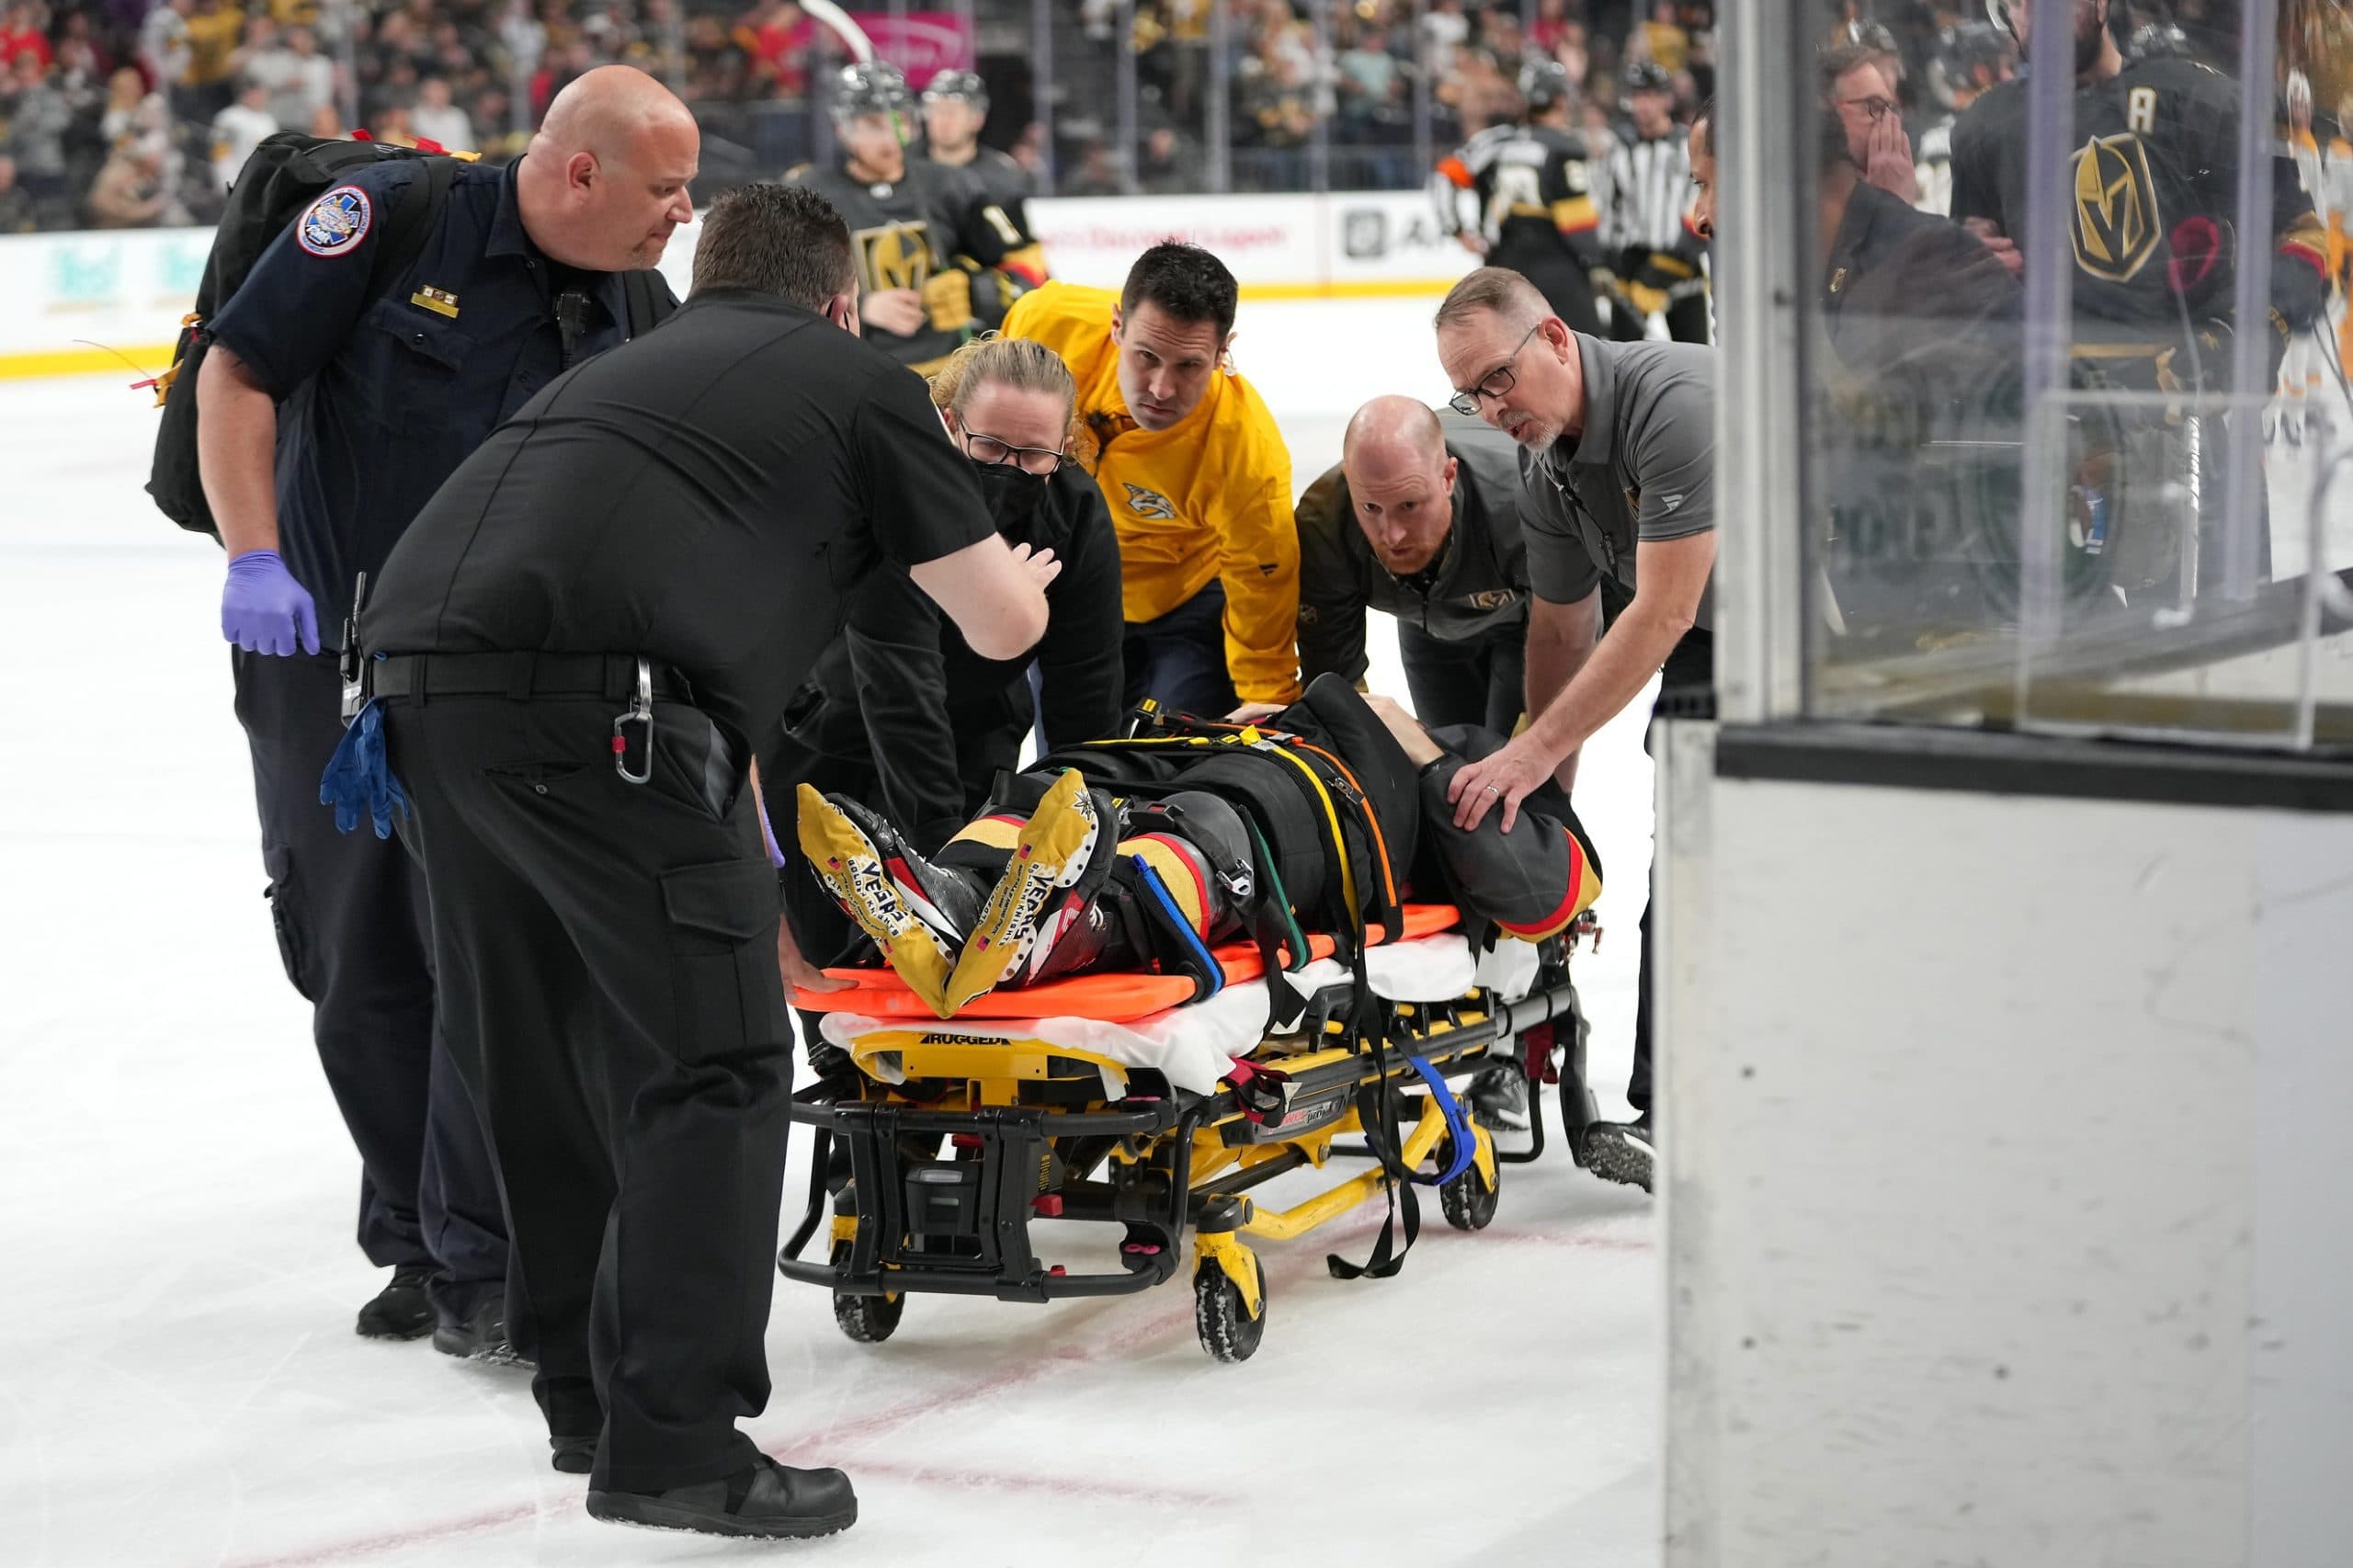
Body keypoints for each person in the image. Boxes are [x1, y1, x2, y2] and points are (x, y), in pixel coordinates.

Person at [353, 181, 1052, 1538]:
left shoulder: (621, 370)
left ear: (701, 278)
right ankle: (673, 1437)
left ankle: (583, 1396)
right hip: (598, 712)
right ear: (840, 299)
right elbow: (1000, 627)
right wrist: (1017, 569)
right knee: (716, 1063)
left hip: (414, 690)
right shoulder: (859, 382)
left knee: (541, 1048)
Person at [195, 66, 696, 1358]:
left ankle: (475, 1251)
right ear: (578, 173)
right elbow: (239, 373)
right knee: (356, 953)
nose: (683, 213)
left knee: (492, 950)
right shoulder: (387, 222)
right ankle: (417, 1233)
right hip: (328, 657)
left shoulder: (633, 291)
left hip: (504, 678)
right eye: (665, 186)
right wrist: (256, 558)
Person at [796, 676, 1602, 1019]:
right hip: (1225, 744)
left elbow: (1545, 894)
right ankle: (953, 896)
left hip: (1335, 801)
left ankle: (1078, 925)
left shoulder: (1491, 765)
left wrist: (1421, 749)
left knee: (1218, 821)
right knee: (1064, 783)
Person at [1432, 266, 1717, 1195]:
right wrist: (1542, 790)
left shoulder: (1668, 400)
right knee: (1689, 867)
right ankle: (1673, 1117)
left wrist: (1535, 748)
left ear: (1555, 337)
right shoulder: (1544, 461)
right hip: (1721, 639)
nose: (1489, 404)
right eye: (1470, 393)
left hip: (1834, 634)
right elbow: (1562, 624)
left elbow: (1662, 609)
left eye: (1498, 377)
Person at [764, 332, 1125, 967]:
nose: (1009, 470)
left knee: (974, 948)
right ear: (951, 422)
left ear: (1066, 445)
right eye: (989, 447)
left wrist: (1089, 845)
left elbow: (1085, 694)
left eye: (1034, 455)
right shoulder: (897, 490)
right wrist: (940, 870)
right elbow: (900, 697)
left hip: (975, 728)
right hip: (831, 726)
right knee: (839, 956)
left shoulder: (1075, 516)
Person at [1003, 244, 1301, 716]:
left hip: (1189, 604)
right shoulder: (1044, 327)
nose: (1161, 389)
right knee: (1068, 772)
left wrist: (1266, 698)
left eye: (1189, 365)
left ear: (1223, 352)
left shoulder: (1245, 451)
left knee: (1166, 765)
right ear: (1116, 326)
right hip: (1071, 590)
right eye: (1146, 356)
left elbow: (1263, 580)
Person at [1292, 396, 1532, 733]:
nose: (1392, 535)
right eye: (1371, 508)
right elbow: (1334, 680)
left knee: (1523, 765)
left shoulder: (1524, 505)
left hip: (1529, 624)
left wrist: (1534, 744)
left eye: (1409, 505)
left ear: (1448, 477)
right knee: (1448, 764)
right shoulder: (1327, 521)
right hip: (1426, 624)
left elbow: (1579, 628)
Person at [788, 61, 1036, 374]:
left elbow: (1032, 278)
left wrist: (976, 293)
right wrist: (857, 308)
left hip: (952, 374)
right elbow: (777, 296)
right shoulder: (807, 195)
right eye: (873, 124)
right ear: (843, 129)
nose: (891, 137)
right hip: (853, 372)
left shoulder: (953, 186)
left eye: (899, 121)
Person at [1431, 57, 1607, 336]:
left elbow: (1443, 177)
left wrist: (1457, 230)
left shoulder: (1494, 141)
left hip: (1503, 264)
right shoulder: (1566, 146)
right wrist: (1597, 261)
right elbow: (1577, 220)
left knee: (1510, 349)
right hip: (1559, 264)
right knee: (1583, 348)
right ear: (1561, 100)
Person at [1599, 59, 1708, 343]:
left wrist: (1667, 266)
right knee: (1622, 361)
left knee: (1694, 358)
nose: (1642, 104)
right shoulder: (1619, 150)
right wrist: (1611, 264)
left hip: (1681, 265)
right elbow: (1609, 210)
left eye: (1650, 95)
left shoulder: (1688, 145)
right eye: (1637, 96)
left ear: (1667, 99)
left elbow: (1701, 206)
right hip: (1633, 268)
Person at [920, 67, 1032, 211]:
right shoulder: (904, 165)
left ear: (977, 120)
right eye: (937, 110)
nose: (944, 120)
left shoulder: (1000, 175)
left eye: (952, 112)